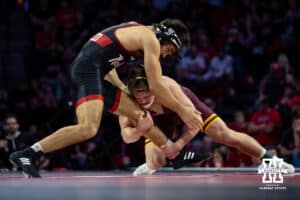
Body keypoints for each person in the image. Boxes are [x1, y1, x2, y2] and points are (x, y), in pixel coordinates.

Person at [10, 19, 204, 178]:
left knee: (139, 114)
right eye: (168, 50)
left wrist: (120, 87)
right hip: (88, 70)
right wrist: (183, 109)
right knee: (88, 128)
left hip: (95, 69)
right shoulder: (150, 39)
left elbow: (105, 59)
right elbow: (155, 84)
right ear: (165, 37)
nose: (164, 55)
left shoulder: (135, 28)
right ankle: (27, 154)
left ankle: (174, 154)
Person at [118, 65, 295, 176]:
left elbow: (194, 122)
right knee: (155, 162)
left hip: (181, 108)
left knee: (227, 136)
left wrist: (178, 145)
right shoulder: (125, 100)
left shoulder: (168, 87)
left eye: (147, 96)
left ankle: (272, 160)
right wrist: (139, 130)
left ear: (154, 87)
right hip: (158, 120)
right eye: (138, 99)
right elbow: (127, 137)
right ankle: (150, 164)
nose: (143, 101)